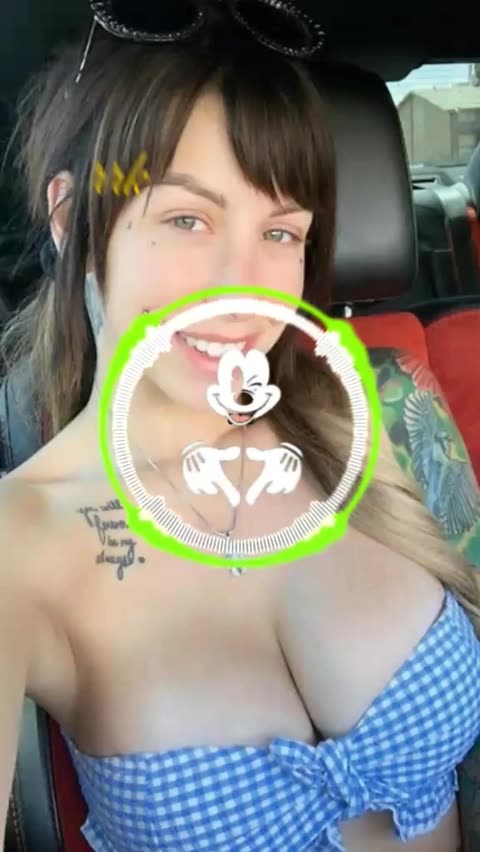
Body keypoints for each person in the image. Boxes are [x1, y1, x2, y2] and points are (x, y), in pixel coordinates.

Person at [1, 4, 480, 850]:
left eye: (280, 231)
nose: (242, 287)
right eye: (187, 219)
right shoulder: (21, 543)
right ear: (72, 219)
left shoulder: (365, 411)